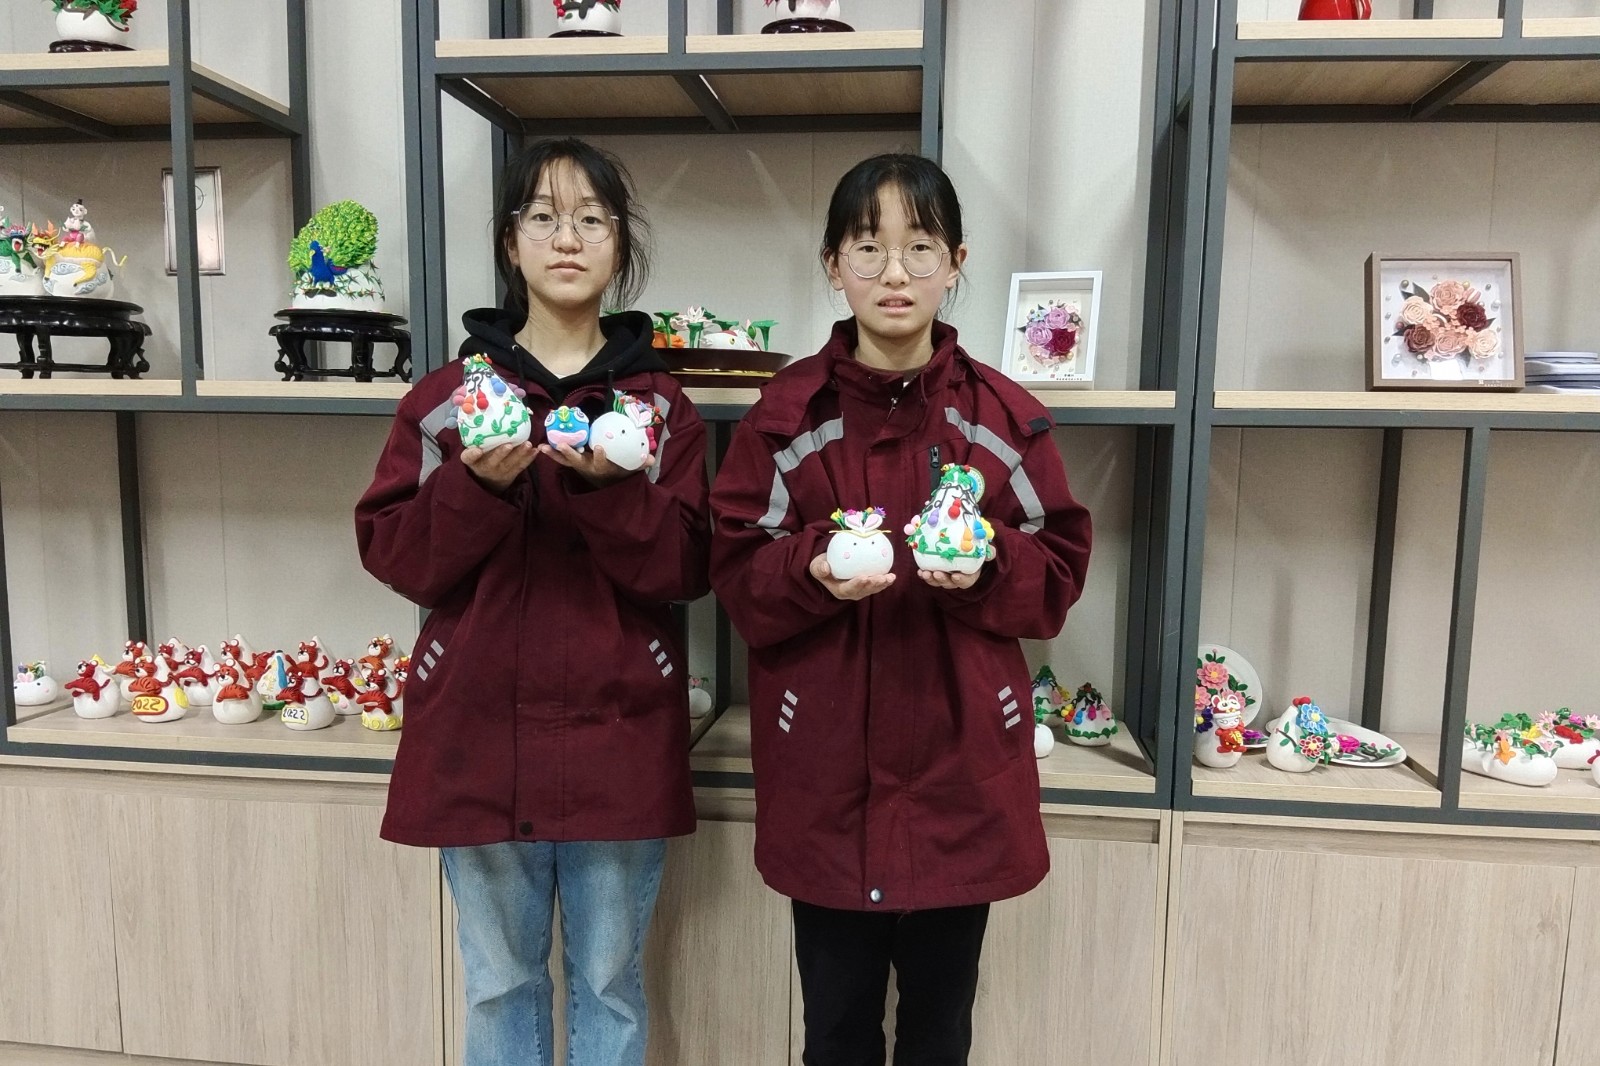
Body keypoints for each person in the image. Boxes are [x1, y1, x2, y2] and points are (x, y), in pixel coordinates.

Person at [708, 153, 1093, 1066]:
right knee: (835, 1033)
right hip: (826, 782)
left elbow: (1058, 573)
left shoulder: (1003, 419)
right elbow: (736, 566)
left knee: (938, 1033)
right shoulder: (784, 418)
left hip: (962, 778)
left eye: (919, 248)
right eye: (867, 248)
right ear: (832, 265)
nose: (894, 273)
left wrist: (988, 564)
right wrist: (815, 568)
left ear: (957, 262)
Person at [355, 138, 710, 1066]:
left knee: (610, 988)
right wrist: (474, 485)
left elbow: (688, 566)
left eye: (592, 219)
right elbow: (398, 556)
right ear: (510, 243)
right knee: (499, 986)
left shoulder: (657, 409)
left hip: (619, 736)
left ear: (620, 244)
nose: (567, 238)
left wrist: (609, 491)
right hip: (477, 737)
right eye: (543, 218)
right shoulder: (447, 401)